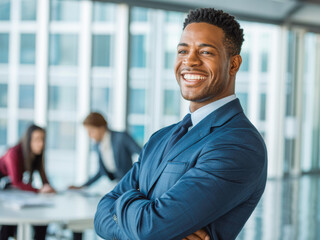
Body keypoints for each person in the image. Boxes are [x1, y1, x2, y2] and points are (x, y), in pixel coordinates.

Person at [94, 8, 267, 240]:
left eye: (205, 52)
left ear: (234, 65)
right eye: (182, 50)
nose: (190, 61)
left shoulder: (239, 144)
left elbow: (149, 229)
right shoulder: (160, 138)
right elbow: (101, 216)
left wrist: (123, 202)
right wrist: (143, 215)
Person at [0, 124, 55, 240]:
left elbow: (44, 179)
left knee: (41, 220)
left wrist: (50, 188)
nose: (40, 143)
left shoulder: (36, 155)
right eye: (36, 139)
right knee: (9, 221)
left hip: (8, 188)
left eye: (42, 139)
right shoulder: (13, 153)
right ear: (28, 140)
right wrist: (39, 190)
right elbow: (16, 181)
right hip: (5, 187)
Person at [69, 112, 141, 189]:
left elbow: (141, 153)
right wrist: (82, 186)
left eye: (91, 131)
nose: (89, 135)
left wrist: (139, 176)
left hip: (131, 184)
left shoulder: (121, 137)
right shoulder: (97, 146)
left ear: (101, 128)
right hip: (117, 185)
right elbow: (101, 171)